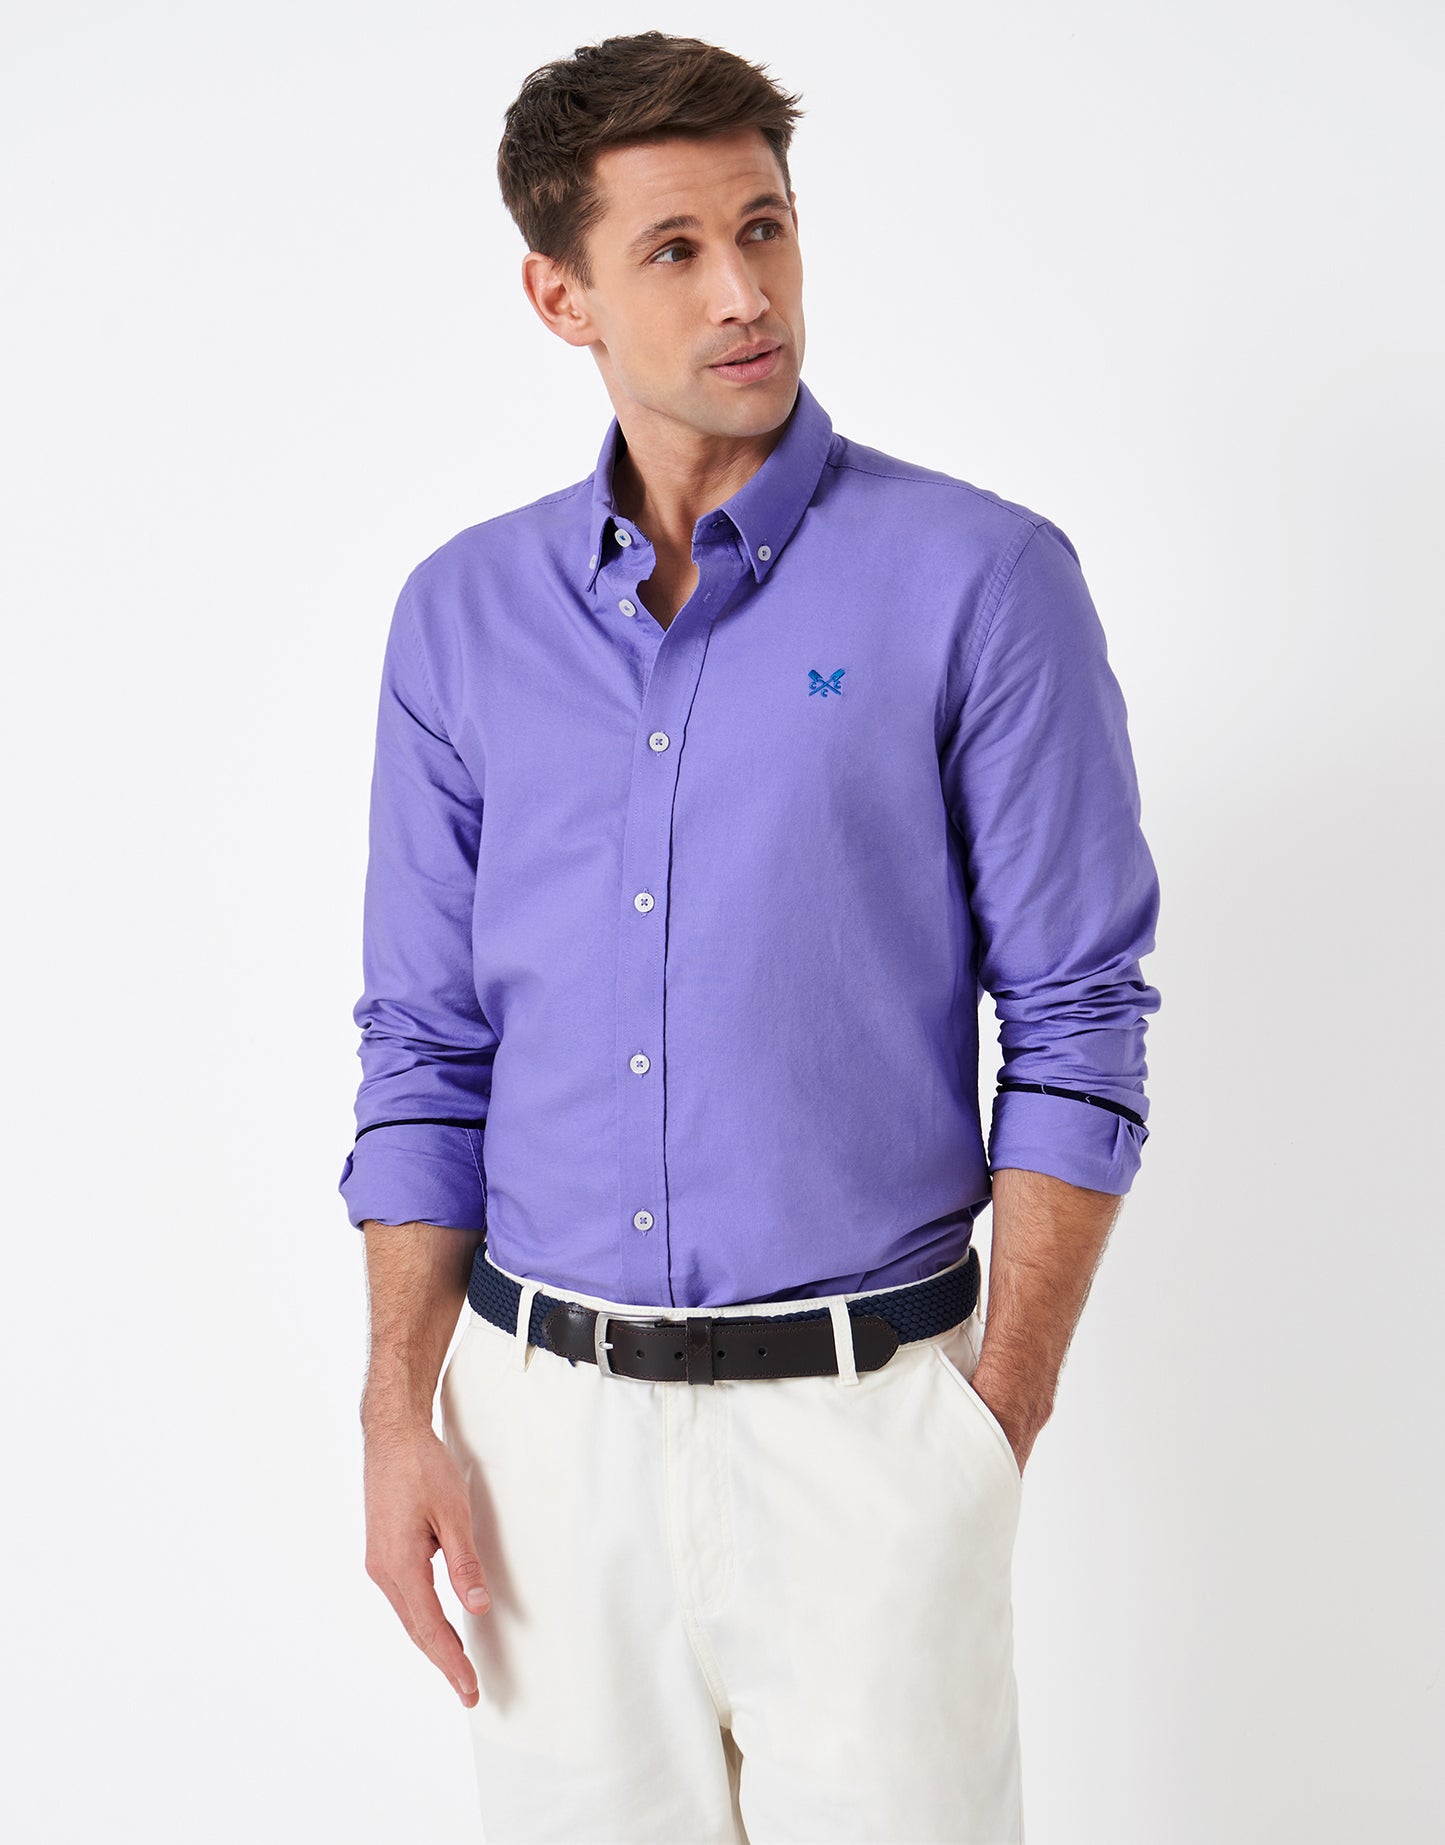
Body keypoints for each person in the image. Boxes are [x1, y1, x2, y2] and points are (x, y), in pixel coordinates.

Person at [339, 29, 1161, 1845]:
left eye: (765, 228)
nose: (745, 293)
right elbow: (424, 1045)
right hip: (542, 1450)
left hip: (867, 1437)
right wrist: (400, 1410)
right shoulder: (460, 618)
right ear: (559, 295)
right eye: (676, 250)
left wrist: (989, 1421)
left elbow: (1078, 1017)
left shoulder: (980, 580)